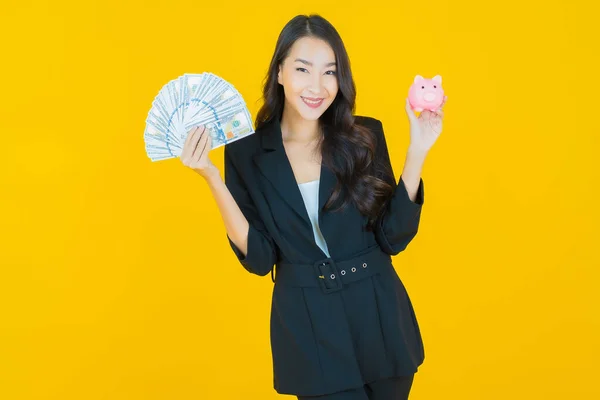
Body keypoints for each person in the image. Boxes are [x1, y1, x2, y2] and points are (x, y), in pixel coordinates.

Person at [180, 14, 446, 400]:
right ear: (280, 72)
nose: (317, 86)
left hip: (379, 316)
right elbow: (258, 258)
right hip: (308, 327)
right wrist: (211, 177)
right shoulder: (246, 152)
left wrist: (418, 149)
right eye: (303, 69)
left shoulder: (364, 135)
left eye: (330, 72)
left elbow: (394, 236)